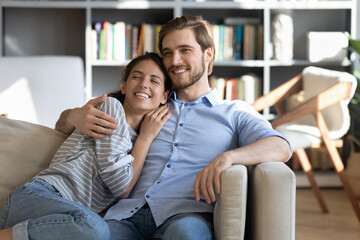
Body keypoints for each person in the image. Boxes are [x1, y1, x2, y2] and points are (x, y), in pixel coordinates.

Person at [54, 16, 292, 240]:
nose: (174, 61)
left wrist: (228, 157)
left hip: (186, 215)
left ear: (208, 54)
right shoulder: (148, 99)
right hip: (126, 214)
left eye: (185, 50)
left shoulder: (234, 112)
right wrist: (73, 116)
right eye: (168, 53)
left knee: (187, 234)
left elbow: (281, 146)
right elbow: (63, 125)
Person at [0, 52, 172, 240]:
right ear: (124, 85)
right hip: (37, 197)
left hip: (62, 219)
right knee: (96, 229)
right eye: (136, 77)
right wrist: (145, 138)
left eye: (154, 81)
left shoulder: (140, 142)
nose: (143, 84)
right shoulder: (111, 110)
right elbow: (121, 187)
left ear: (165, 96)